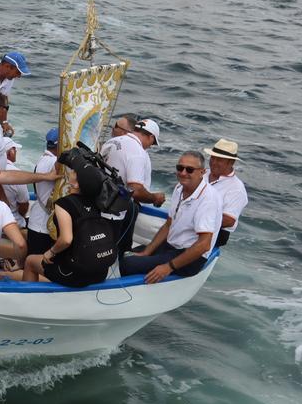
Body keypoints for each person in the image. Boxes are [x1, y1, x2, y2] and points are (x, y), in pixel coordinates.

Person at [120, 151, 221, 282]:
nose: (183, 173)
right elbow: (169, 224)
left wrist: (168, 267)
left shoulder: (208, 199)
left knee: (128, 264)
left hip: (192, 256)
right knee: (125, 254)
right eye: (180, 168)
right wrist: (147, 252)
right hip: (172, 246)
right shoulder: (179, 188)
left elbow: (204, 245)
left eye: (189, 170)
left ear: (202, 172)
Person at [22, 165, 116, 287]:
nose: (71, 171)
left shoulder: (64, 204)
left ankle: (28, 300)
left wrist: (50, 252)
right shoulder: (97, 201)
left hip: (74, 273)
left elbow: (66, 239)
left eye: (75, 172)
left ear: (76, 184)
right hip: (100, 271)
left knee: (30, 261)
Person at [102, 118, 165, 255]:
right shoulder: (137, 152)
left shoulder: (113, 141)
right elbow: (135, 191)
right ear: (150, 137)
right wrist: (155, 198)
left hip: (100, 202)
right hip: (118, 210)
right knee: (120, 249)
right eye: (153, 143)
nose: (150, 146)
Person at [204, 138, 247, 247]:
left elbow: (228, 220)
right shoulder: (202, 173)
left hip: (215, 232)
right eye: (212, 158)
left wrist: (195, 220)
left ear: (231, 162)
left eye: (219, 160)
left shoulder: (237, 188)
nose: (213, 162)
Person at [25, 128, 60, 255]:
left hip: (37, 220)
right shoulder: (52, 162)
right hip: (44, 226)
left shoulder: (42, 159)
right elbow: (59, 165)